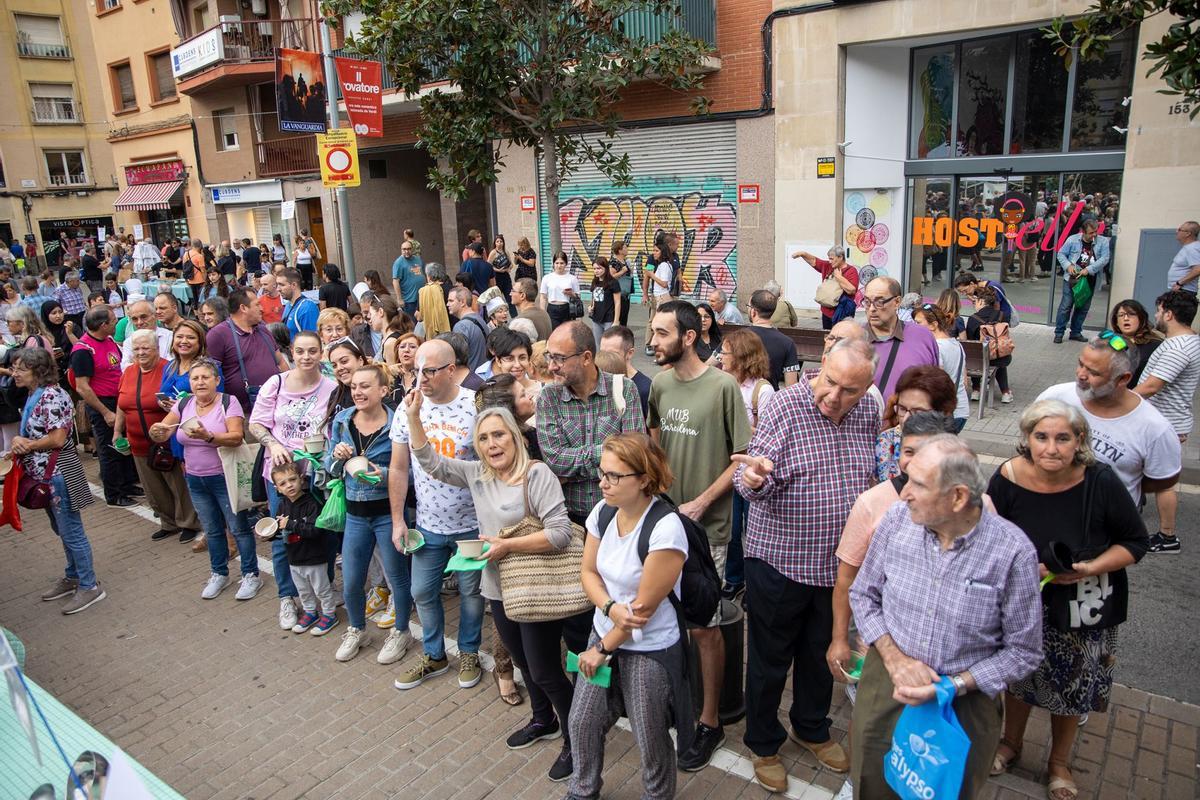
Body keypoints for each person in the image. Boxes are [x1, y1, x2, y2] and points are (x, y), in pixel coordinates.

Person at [849, 437, 1043, 799]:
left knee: (947, 791)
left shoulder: (1012, 552)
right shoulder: (895, 521)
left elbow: (1024, 652)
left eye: (918, 484)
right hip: (889, 686)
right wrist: (896, 660)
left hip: (963, 706)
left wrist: (953, 686)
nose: (904, 493)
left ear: (957, 498)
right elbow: (863, 594)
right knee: (871, 782)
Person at [732, 339, 879, 790]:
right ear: (820, 368)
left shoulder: (869, 412)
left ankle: (811, 726)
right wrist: (754, 478)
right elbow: (750, 476)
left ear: (866, 389)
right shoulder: (786, 406)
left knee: (821, 655)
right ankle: (763, 742)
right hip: (780, 561)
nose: (834, 397)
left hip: (838, 567)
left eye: (848, 390)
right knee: (769, 658)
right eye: (829, 382)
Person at [408, 398, 578, 781]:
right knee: (522, 663)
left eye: (498, 434)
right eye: (483, 438)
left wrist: (506, 546)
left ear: (515, 437)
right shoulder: (477, 475)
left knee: (547, 671)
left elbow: (561, 533)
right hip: (498, 589)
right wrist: (415, 416)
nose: (491, 443)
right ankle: (542, 720)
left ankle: (576, 739)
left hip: (534, 590)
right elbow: (430, 461)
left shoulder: (536, 475)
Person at [987, 400, 1148, 800]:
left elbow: (1136, 542)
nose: (1052, 448)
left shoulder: (1100, 481)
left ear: (1079, 441)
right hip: (1024, 601)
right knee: (1018, 678)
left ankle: (1059, 761)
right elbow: (987, 538)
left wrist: (1091, 567)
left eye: (1063, 438)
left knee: (1072, 687)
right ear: (1027, 439)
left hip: (1083, 602)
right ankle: (1011, 743)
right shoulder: (1006, 477)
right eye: (1041, 437)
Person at [647, 299, 750, 770]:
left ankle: (711, 720)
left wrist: (703, 501)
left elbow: (741, 459)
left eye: (662, 333)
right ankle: (681, 703)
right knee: (668, 621)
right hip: (664, 524)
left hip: (707, 529)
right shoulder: (661, 385)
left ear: (688, 337)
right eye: (652, 332)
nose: (653, 342)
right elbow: (653, 442)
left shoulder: (724, 386)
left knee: (705, 628)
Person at [569, 432, 691, 800]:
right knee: (582, 722)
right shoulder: (604, 512)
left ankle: (657, 796)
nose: (602, 483)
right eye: (601, 473)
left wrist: (601, 649)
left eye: (614, 476)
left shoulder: (666, 528)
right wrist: (608, 609)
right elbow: (587, 572)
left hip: (649, 646)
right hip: (604, 632)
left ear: (644, 478)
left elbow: (643, 610)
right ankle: (583, 790)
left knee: (649, 734)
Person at [829, 412, 958, 681]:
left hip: (947, 652)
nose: (915, 462)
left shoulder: (973, 508)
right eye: (908, 450)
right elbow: (847, 579)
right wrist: (840, 638)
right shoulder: (873, 502)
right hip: (878, 645)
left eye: (928, 452)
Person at [389, 339, 485, 691]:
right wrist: (399, 520)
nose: (421, 379)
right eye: (417, 371)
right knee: (422, 591)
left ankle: (469, 651)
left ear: (450, 369)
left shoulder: (475, 405)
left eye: (429, 371)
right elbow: (398, 468)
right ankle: (434, 655)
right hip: (428, 525)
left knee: (471, 593)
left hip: (472, 525)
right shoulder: (408, 408)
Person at [150, 358, 262, 601]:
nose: (200, 382)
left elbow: (235, 437)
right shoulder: (184, 403)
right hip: (195, 478)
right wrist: (157, 430)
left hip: (224, 477)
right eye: (195, 378)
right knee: (212, 530)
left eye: (205, 377)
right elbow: (163, 428)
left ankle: (251, 574)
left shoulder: (227, 402)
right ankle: (219, 573)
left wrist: (208, 436)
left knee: (238, 528)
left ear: (217, 381)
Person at [326, 363, 413, 661]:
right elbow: (328, 465)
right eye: (354, 387)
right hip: (355, 515)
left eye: (365, 386)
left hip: (389, 513)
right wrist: (337, 458)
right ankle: (357, 629)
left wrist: (385, 472)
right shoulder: (342, 421)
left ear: (383, 391)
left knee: (397, 578)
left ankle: (401, 632)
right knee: (351, 580)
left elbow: (411, 471)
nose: (358, 392)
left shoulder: (396, 423)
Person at [8, 347, 105, 614]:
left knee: (71, 530)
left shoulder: (51, 396)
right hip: (47, 473)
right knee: (61, 528)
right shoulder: (35, 394)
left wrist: (25, 445)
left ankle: (89, 585)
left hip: (60, 473)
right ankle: (73, 575)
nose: (14, 373)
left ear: (37, 371)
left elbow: (58, 439)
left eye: (20, 369)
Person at [1037, 336, 1181, 510]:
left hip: (1108, 527)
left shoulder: (1155, 428)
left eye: (1093, 372)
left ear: (1123, 379)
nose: (1081, 375)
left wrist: (1115, 493)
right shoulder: (1054, 397)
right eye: (1081, 364)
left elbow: (1162, 480)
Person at [537, 320, 646, 526]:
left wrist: (573, 471)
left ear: (586, 357)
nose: (551, 366)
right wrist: (609, 455)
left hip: (617, 515)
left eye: (559, 358)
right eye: (549, 356)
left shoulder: (624, 389)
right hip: (568, 518)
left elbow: (634, 453)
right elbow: (555, 461)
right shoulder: (548, 398)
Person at [114, 329, 201, 543]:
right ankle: (168, 522)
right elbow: (121, 404)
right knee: (153, 487)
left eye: (146, 348)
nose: (141, 352)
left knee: (177, 484)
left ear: (156, 349)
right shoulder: (129, 372)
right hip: (137, 442)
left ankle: (189, 522)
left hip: (165, 439)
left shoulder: (168, 369)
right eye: (136, 349)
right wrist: (117, 430)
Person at [1133, 290, 1200, 553]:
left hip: (1166, 424)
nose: (1157, 316)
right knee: (1138, 468)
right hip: (1165, 421)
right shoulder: (1187, 340)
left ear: (1169, 314)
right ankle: (1129, 509)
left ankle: (1168, 536)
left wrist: (1117, 399)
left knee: (1164, 482)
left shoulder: (1178, 347)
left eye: (1159, 311)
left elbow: (1152, 386)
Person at [717, 327, 775, 598]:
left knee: (755, 530)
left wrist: (736, 425)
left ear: (741, 356)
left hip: (752, 470)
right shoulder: (722, 381)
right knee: (731, 527)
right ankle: (735, 578)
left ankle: (754, 585)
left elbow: (769, 433)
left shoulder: (763, 391)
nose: (721, 357)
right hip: (728, 467)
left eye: (726, 353)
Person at [70, 307, 141, 507]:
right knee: (109, 449)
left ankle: (127, 484)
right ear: (103, 325)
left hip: (119, 401)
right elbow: (83, 387)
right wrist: (105, 411)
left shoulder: (109, 341)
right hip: (103, 403)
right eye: (113, 320)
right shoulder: (83, 350)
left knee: (124, 445)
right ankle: (114, 493)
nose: (116, 323)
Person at [271, 461, 338, 635]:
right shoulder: (282, 505)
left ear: (302, 479)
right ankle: (310, 612)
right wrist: (270, 534)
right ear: (277, 488)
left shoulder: (312, 504)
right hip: (294, 558)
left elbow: (316, 530)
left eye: (292, 479)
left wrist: (291, 524)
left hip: (315, 557)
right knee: (303, 590)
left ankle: (330, 615)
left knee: (322, 589)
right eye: (283, 483)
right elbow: (280, 529)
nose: (289, 485)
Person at [207, 289, 288, 412]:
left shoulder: (264, 330)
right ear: (243, 308)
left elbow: (281, 362)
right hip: (241, 413)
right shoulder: (218, 334)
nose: (262, 308)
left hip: (275, 407)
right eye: (257, 304)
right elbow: (210, 374)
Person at [875, 364, 958, 481]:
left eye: (918, 412)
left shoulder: (955, 455)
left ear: (942, 413)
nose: (906, 419)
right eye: (902, 409)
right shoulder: (885, 443)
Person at [862, 276, 939, 400]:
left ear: (897, 302)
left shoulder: (923, 337)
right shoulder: (853, 338)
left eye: (879, 302)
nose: (871, 309)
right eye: (867, 302)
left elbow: (935, 385)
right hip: (865, 418)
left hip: (912, 418)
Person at [913, 302, 969, 431]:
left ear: (933, 325)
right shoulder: (957, 344)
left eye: (918, 323)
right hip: (960, 410)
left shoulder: (936, 347)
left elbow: (937, 383)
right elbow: (965, 382)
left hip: (943, 413)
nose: (914, 326)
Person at [1054, 220, 1111, 343]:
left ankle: (1075, 332)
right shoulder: (1073, 239)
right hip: (1072, 278)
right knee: (1066, 306)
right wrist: (1068, 266)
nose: (1094, 235)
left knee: (1083, 308)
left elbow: (1105, 258)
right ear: (1083, 232)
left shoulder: (1103, 241)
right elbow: (1061, 254)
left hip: (1090, 278)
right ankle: (1059, 333)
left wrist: (1089, 269)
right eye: (1091, 233)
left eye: (1096, 232)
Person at [966, 286, 1016, 404]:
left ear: (982, 301)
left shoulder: (973, 319)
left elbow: (970, 341)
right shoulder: (1001, 315)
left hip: (978, 362)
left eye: (975, 301)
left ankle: (976, 390)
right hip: (1002, 358)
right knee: (997, 355)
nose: (974, 304)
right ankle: (1005, 392)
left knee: (976, 355)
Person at [792, 247, 859, 330]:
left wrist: (838, 277)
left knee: (841, 339)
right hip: (826, 313)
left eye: (832, 259)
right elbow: (813, 260)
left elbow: (852, 290)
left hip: (842, 314)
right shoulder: (828, 266)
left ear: (841, 257)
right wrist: (803, 254)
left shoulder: (852, 271)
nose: (830, 261)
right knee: (828, 338)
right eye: (829, 259)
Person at [745, 289, 800, 388]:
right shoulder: (787, 343)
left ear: (753, 312)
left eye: (748, 306)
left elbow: (713, 362)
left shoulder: (736, 338)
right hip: (771, 399)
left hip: (741, 400)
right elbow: (791, 387)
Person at [599, 325, 652, 418]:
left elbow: (653, 429)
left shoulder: (645, 389)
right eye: (602, 353)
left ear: (630, 353)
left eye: (612, 354)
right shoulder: (598, 381)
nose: (606, 358)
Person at [1109, 299, 1163, 385]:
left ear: (1141, 319)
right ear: (1116, 323)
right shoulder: (1109, 342)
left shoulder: (1155, 345)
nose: (1126, 318)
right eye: (1121, 315)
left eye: (1131, 314)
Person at [641, 241, 674, 355]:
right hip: (657, 296)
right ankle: (651, 345)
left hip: (662, 297)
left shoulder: (664, 265)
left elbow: (664, 283)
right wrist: (645, 293)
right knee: (654, 321)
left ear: (663, 251)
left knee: (661, 324)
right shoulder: (653, 261)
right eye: (653, 250)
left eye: (656, 251)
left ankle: (663, 348)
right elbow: (647, 276)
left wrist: (651, 275)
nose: (653, 253)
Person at [119, 300, 172, 369]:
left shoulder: (170, 337)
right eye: (135, 319)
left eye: (143, 317)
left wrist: (137, 363)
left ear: (155, 316)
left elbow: (171, 366)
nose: (139, 322)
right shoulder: (129, 342)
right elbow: (125, 368)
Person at [448, 286, 489, 370]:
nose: (447, 304)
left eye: (451, 301)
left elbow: (459, 358)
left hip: (470, 377)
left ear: (462, 302)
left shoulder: (461, 326)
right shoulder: (480, 319)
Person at [539, 251, 579, 332]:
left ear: (566, 264)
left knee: (567, 334)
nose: (559, 266)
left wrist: (571, 293)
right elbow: (543, 297)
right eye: (557, 263)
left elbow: (578, 296)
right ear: (553, 263)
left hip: (567, 309)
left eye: (562, 263)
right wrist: (542, 312)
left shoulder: (572, 278)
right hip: (552, 308)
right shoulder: (547, 278)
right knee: (554, 333)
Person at [587, 257, 622, 349]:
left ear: (605, 268)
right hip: (596, 318)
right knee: (598, 344)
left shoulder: (613, 282)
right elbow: (593, 297)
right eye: (594, 269)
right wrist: (591, 306)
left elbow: (618, 302)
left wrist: (616, 321)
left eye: (599, 268)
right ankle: (599, 362)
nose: (596, 271)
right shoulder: (595, 281)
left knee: (609, 344)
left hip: (609, 318)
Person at [279, 269, 319, 340]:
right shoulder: (288, 304)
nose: (278, 289)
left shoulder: (307, 308)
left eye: (281, 285)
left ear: (294, 285)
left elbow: (312, 341)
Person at [417, 262, 452, 340]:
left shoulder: (424, 291)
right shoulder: (453, 289)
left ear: (428, 276)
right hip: (452, 331)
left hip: (434, 336)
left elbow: (419, 317)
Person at [1166, 220, 1200, 294]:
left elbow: (1197, 269)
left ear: (1188, 233)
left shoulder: (1192, 248)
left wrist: (1179, 283)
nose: (1176, 231)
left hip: (1183, 290)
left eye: (1180, 229)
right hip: (1180, 289)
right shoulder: (1188, 247)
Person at [392, 243, 424, 316]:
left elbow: (421, 273)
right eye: (404, 249)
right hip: (409, 300)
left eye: (409, 249)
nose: (406, 251)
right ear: (401, 250)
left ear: (412, 249)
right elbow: (395, 281)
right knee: (413, 323)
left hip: (421, 297)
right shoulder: (398, 263)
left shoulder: (417, 259)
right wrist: (399, 299)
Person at [488, 235, 514, 310]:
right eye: (497, 241)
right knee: (498, 298)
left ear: (503, 242)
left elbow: (511, 264)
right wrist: (498, 270)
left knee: (510, 297)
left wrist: (509, 268)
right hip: (497, 276)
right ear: (495, 243)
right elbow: (489, 266)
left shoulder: (506, 251)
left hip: (506, 276)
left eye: (501, 241)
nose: (499, 243)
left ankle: (514, 316)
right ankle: (500, 314)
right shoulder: (493, 252)